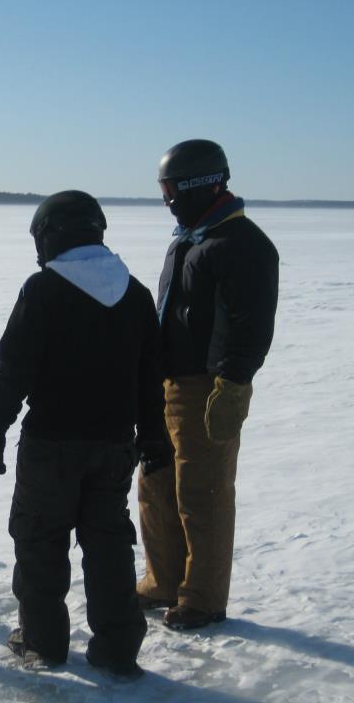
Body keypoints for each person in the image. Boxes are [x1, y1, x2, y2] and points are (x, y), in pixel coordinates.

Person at [0, 190, 168, 680]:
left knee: (40, 542)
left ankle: (43, 642)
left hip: (50, 447)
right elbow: (151, 381)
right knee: (108, 546)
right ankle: (118, 648)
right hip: (113, 449)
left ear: (50, 237)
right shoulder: (138, 294)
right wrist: (153, 438)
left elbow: (14, 369)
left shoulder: (42, 290)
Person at [137, 139, 278, 630]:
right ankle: (163, 580)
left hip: (207, 389)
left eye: (170, 187)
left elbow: (251, 325)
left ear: (199, 183)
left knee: (204, 493)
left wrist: (233, 385)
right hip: (167, 384)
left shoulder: (242, 245)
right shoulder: (189, 239)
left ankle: (203, 598)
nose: (165, 197)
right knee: (156, 486)